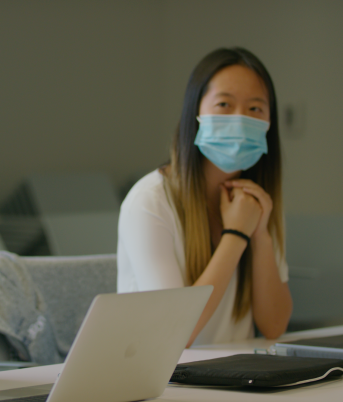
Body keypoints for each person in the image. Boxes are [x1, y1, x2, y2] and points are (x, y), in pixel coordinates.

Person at [117, 47, 292, 347]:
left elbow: (274, 326)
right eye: (224, 104)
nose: (239, 120)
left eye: (255, 109)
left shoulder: (255, 203)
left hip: (241, 377)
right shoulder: (150, 201)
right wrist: (236, 235)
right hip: (167, 382)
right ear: (195, 112)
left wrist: (260, 234)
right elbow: (175, 333)